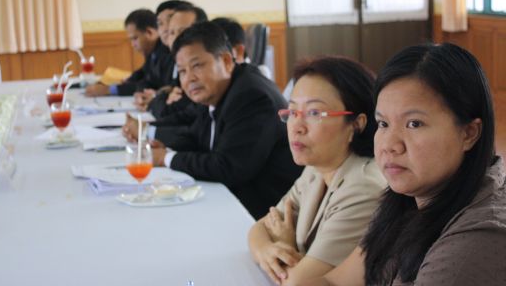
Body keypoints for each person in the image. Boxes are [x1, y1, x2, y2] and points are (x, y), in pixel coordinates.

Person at [302, 43, 506, 286]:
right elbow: (334, 282)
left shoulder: (476, 241)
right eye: (383, 124)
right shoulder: (406, 199)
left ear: (469, 133)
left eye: (414, 124)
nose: (390, 145)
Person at [248, 56, 386, 285]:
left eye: (314, 113)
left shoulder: (364, 187)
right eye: (293, 112)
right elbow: (260, 228)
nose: (296, 126)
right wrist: (266, 250)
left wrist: (286, 246)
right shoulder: (317, 168)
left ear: (356, 124)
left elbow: (298, 283)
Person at [148, 21, 302, 218]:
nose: (189, 78)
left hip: (265, 213)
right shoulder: (217, 91)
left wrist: (166, 158)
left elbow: (229, 167)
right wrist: (166, 148)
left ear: (227, 61)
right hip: (232, 199)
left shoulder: (250, 96)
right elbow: (198, 138)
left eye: (197, 66)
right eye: (182, 71)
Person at [85, 9, 173, 97]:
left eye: (135, 38)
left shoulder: (166, 51)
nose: (132, 45)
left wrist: (109, 89)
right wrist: (129, 80)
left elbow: (150, 85)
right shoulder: (152, 50)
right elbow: (143, 71)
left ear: (149, 33)